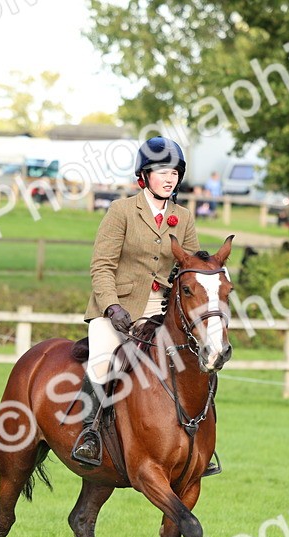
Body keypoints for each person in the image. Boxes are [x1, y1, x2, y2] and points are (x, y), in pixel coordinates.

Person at [72, 135, 201, 467]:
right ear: (144, 176)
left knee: (192, 362)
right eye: (161, 171)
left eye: (174, 172)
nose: (169, 178)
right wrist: (111, 306)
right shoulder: (122, 210)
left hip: (162, 309)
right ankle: (89, 433)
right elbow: (102, 265)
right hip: (118, 307)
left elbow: (189, 265)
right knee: (103, 359)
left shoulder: (183, 217)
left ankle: (198, 440)